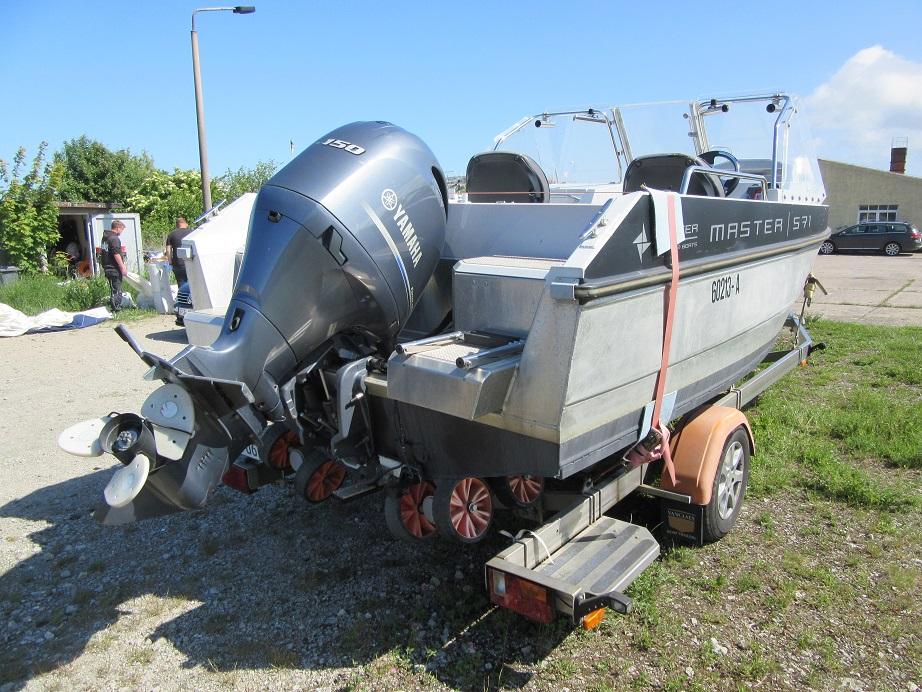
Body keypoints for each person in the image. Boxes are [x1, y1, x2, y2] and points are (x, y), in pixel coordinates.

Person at [100, 220, 128, 312]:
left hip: (106, 266)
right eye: (122, 229)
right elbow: (116, 254)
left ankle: (113, 307)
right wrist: (122, 266)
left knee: (113, 289)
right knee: (117, 289)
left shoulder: (105, 238)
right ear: (118, 228)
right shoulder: (114, 239)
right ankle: (116, 308)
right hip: (113, 267)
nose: (121, 232)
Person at [165, 217, 193, 285]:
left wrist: (170, 263)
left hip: (178, 264)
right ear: (185, 223)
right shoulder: (192, 232)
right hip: (192, 262)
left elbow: (168, 250)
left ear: (177, 225)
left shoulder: (171, 234)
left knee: (181, 284)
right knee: (193, 284)